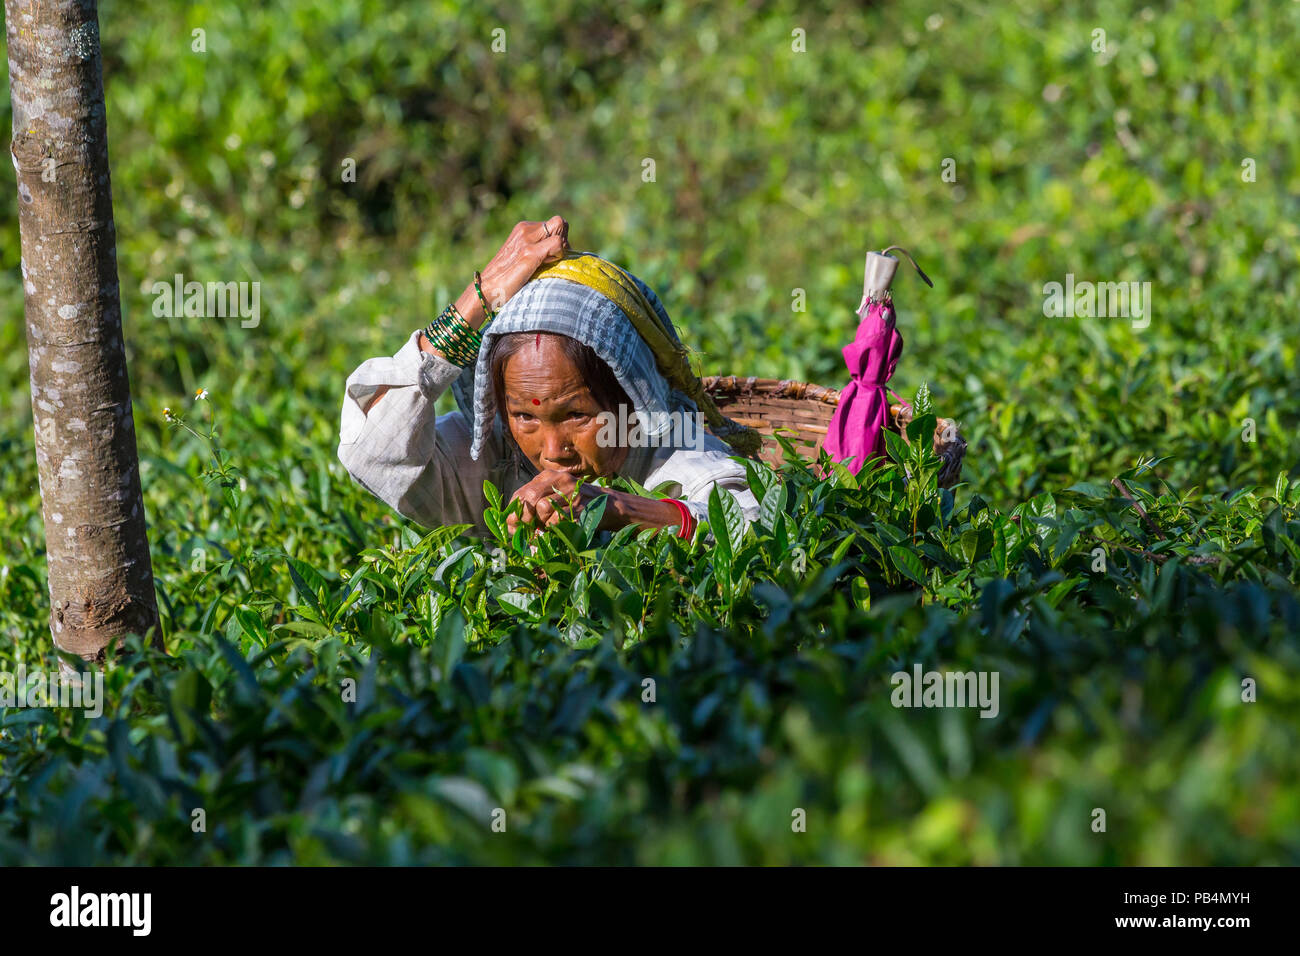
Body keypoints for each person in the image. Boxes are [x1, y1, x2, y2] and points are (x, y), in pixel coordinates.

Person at [337, 216, 760, 539]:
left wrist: (615, 508)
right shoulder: (488, 457)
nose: (553, 452)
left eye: (577, 415)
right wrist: (480, 298)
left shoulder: (667, 450)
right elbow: (373, 450)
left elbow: (754, 523)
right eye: (526, 416)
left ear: (630, 400)